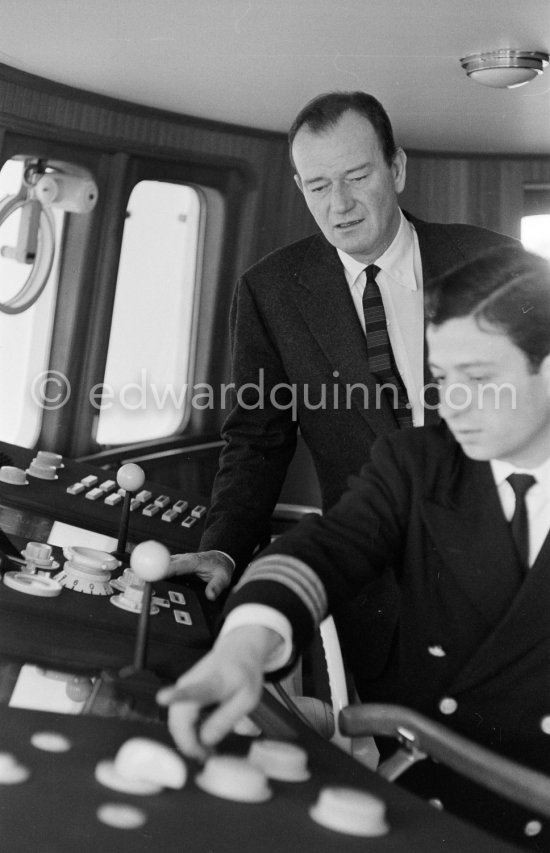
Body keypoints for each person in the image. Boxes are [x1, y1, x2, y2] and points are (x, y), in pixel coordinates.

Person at [158, 247, 550, 848]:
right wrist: (243, 646)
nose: (453, 407)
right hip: (429, 791)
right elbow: (325, 549)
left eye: (479, 379)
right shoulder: (420, 463)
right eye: (442, 380)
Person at [170, 90, 518, 600]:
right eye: (318, 185)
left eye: (357, 177)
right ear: (300, 187)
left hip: (513, 563)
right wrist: (223, 548)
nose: (340, 204)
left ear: (395, 169)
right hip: (378, 585)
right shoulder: (270, 293)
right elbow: (256, 441)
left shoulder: (498, 262)